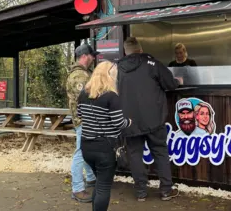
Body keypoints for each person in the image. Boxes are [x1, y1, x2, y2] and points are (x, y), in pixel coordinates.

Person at [117, 37, 182, 202]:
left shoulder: (117, 69)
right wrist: (177, 81)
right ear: (140, 49)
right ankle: (166, 190)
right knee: (160, 152)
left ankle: (141, 192)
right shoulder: (152, 64)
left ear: (125, 51)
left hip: (129, 122)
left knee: (135, 155)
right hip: (154, 119)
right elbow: (170, 85)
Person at [78, 60, 131, 211]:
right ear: (109, 76)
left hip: (87, 146)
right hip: (105, 148)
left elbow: (80, 115)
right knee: (103, 187)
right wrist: (129, 122)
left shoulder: (83, 94)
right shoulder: (111, 96)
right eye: (114, 74)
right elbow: (118, 123)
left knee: (99, 183)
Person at [66, 44, 98, 203]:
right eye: (92, 56)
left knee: (86, 150)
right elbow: (85, 99)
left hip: (85, 119)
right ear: (85, 56)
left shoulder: (84, 73)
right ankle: (77, 189)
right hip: (84, 119)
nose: (94, 59)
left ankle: (91, 179)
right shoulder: (79, 76)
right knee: (80, 152)